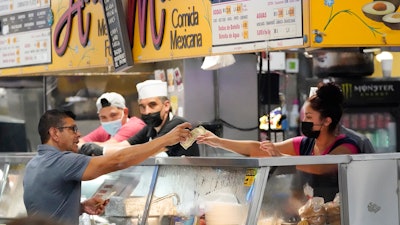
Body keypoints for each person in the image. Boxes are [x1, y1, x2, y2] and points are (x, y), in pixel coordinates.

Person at [196, 82, 360, 202]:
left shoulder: (347, 147)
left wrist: (281, 157)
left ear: (327, 121)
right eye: (304, 116)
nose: (304, 120)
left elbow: (320, 166)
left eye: (309, 117)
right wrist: (218, 142)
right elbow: (256, 149)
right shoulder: (304, 144)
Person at [23, 109, 192, 225]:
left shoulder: (34, 163)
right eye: (72, 129)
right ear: (54, 133)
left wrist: (81, 207)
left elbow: (48, 207)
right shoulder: (63, 161)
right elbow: (117, 161)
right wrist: (165, 140)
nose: (78, 134)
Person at [80, 79, 200, 157]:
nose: (147, 112)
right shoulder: (150, 128)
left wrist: (102, 151)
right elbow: (125, 145)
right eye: (142, 107)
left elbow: (149, 150)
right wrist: (92, 148)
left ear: (166, 105)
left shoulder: (177, 125)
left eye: (152, 105)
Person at [79, 92, 145, 146]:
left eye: (113, 115)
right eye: (103, 117)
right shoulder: (105, 130)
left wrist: (88, 146)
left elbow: (108, 147)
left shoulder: (134, 126)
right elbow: (79, 143)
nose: (109, 121)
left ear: (125, 112)